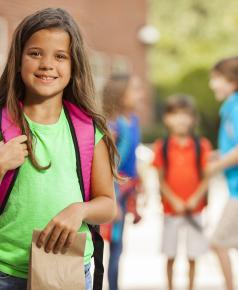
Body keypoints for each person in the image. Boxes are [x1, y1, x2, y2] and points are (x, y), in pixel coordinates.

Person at [0, 8, 117, 290]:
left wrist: (80, 209)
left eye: (60, 56)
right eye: (35, 53)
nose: (47, 64)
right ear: (18, 60)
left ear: (74, 66)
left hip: (68, 270)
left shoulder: (88, 130)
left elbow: (108, 205)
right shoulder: (3, 125)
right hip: (5, 272)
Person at [152, 95, 212, 290]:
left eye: (185, 115)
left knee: (193, 256)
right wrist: (175, 200)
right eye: (175, 114)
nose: (181, 119)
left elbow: (207, 177)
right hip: (171, 211)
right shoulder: (162, 146)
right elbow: (160, 180)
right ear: (167, 118)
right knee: (170, 255)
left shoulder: (201, 145)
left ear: (193, 119)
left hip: (195, 211)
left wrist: (194, 199)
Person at [102, 74, 143, 290]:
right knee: (105, 243)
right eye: (135, 89)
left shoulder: (134, 120)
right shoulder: (112, 125)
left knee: (118, 246)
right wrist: (113, 200)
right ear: (119, 94)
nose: (140, 94)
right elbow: (108, 165)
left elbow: (133, 157)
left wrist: (140, 185)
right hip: (113, 190)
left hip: (128, 190)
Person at [206, 56, 238, 290]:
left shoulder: (235, 106)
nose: (212, 84)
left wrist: (216, 166)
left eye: (216, 79)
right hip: (234, 190)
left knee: (218, 242)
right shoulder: (230, 107)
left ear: (232, 81)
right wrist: (218, 155)